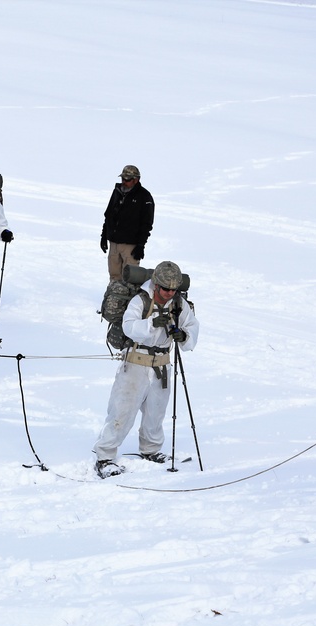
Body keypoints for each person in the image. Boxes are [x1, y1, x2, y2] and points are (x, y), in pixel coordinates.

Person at [93, 260, 199, 478]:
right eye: (166, 289)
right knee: (122, 410)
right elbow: (128, 326)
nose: (170, 293)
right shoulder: (140, 300)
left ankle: (151, 450)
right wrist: (152, 323)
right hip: (135, 362)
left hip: (162, 363)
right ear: (156, 285)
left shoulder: (180, 303)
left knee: (156, 413)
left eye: (173, 289)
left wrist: (184, 336)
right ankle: (105, 456)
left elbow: (192, 326)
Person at [101, 165, 154, 283]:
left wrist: (140, 245)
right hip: (114, 243)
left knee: (130, 278)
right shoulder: (117, 192)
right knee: (114, 275)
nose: (124, 182)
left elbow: (147, 224)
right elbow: (108, 215)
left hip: (131, 246)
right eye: (123, 179)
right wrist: (104, 236)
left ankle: (129, 301)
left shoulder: (145, 197)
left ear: (136, 180)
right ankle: (112, 299)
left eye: (127, 180)